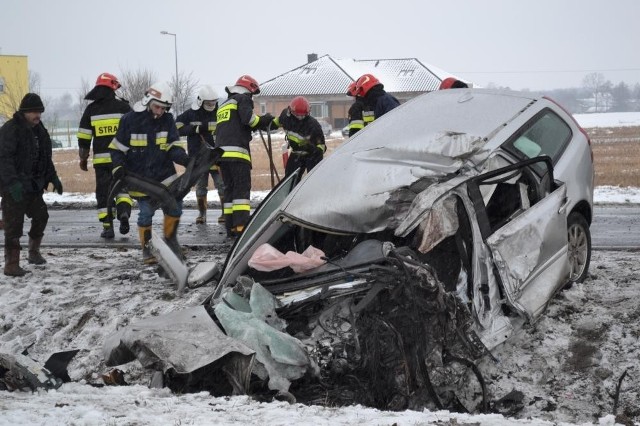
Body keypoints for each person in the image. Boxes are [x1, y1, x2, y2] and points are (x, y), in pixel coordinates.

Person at [109, 82, 189, 264]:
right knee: (146, 213)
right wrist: (118, 167)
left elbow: (173, 147)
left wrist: (185, 159)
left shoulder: (168, 121)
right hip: (140, 179)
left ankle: (171, 243)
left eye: (164, 108)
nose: (160, 111)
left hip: (165, 177)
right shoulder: (129, 120)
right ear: (147, 101)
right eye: (157, 107)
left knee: (175, 208)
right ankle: (147, 250)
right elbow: (117, 150)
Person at [0, 93, 63, 276]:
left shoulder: (40, 131)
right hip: (14, 188)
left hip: (33, 187)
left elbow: (45, 159)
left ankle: (33, 253)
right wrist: (12, 184)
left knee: (41, 217)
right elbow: (3, 160)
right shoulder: (10, 130)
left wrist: (53, 178)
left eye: (40, 112)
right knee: (13, 226)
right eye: (35, 112)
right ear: (25, 112)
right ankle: (11, 264)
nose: (38, 115)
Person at [215, 75, 273, 238]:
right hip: (237, 154)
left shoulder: (224, 104)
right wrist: (263, 120)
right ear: (249, 89)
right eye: (252, 94)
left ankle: (231, 227)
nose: (252, 97)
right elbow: (249, 120)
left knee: (230, 191)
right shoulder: (243, 98)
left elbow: (234, 126)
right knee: (241, 190)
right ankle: (241, 227)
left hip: (221, 156)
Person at [77, 72, 133, 238]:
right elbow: (133, 132)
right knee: (122, 188)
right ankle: (123, 214)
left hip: (101, 162)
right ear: (113, 87)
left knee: (103, 193)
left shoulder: (91, 110)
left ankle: (108, 227)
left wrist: (83, 158)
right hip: (122, 160)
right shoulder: (124, 108)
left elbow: (84, 137)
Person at [176, 85, 225, 224]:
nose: (211, 105)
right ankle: (201, 214)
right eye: (208, 103)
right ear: (201, 101)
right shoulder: (191, 114)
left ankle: (224, 214)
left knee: (221, 185)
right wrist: (195, 129)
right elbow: (176, 127)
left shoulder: (220, 112)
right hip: (198, 157)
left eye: (213, 102)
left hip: (216, 156)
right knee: (201, 187)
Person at [272, 96, 326, 179]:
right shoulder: (285, 118)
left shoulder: (314, 126)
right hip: (296, 153)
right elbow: (275, 123)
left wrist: (314, 150)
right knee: (290, 179)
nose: (300, 118)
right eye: (297, 115)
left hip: (311, 155)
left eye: (303, 116)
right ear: (290, 111)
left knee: (313, 179)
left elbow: (321, 145)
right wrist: (263, 122)